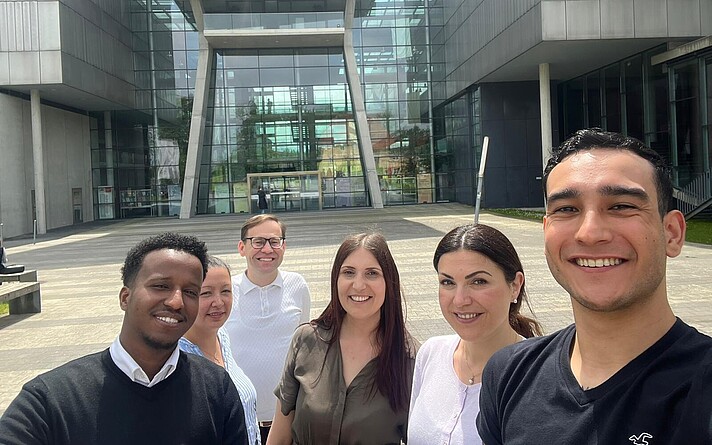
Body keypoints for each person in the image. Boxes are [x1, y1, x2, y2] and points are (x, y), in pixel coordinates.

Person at [477, 129, 712, 443]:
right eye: (566, 209)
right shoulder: (509, 374)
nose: (589, 233)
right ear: (546, 231)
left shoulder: (701, 387)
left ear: (671, 233)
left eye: (621, 206)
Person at [0, 232, 248, 444]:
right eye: (160, 286)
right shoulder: (51, 400)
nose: (176, 302)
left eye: (191, 291)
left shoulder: (216, 388)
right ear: (125, 297)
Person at [267, 232, 417, 445]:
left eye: (372, 273)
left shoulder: (411, 360)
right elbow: (280, 437)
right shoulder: (306, 341)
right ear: (336, 279)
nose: (358, 285)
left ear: (389, 282)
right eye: (348, 272)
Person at [408, 224, 542, 445]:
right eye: (447, 282)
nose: (460, 300)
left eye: (478, 281)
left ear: (515, 286)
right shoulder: (431, 353)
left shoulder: (538, 375)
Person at [224, 214, 311, 443]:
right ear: (242, 247)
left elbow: (304, 349)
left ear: (284, 246)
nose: (267, 249)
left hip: (288, 418)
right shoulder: (225, 291)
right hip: (238, 420)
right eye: (258, 241)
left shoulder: (298, 285)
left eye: (274, 241)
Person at [179, 255, 261, 445]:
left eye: (226, 291)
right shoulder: (177, 357)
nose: (218, 302)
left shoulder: (222, 337)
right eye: (206, 293)